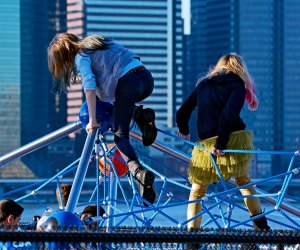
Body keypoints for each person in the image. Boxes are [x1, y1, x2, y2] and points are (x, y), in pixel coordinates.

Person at [48, 33, 157, 206]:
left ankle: (139, 174)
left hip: (128, 82)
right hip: (145, 79)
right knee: (115, 103)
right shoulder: (95, 44)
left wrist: (92, 120)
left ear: (65, 56)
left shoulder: (80, 56)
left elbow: (90, 87)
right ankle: (141, 115)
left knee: (120, 137)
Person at [176, 53, 270, 232]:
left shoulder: (204, 83)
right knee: (243, 181)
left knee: (197, 190)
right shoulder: (237, 84)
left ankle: (192, 236)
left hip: (206, 143)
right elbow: (229, 114)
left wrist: (184, 129)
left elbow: (183, 111)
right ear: (239, 68)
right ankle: (261, 225)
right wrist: (221, 143)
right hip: (232, 139)